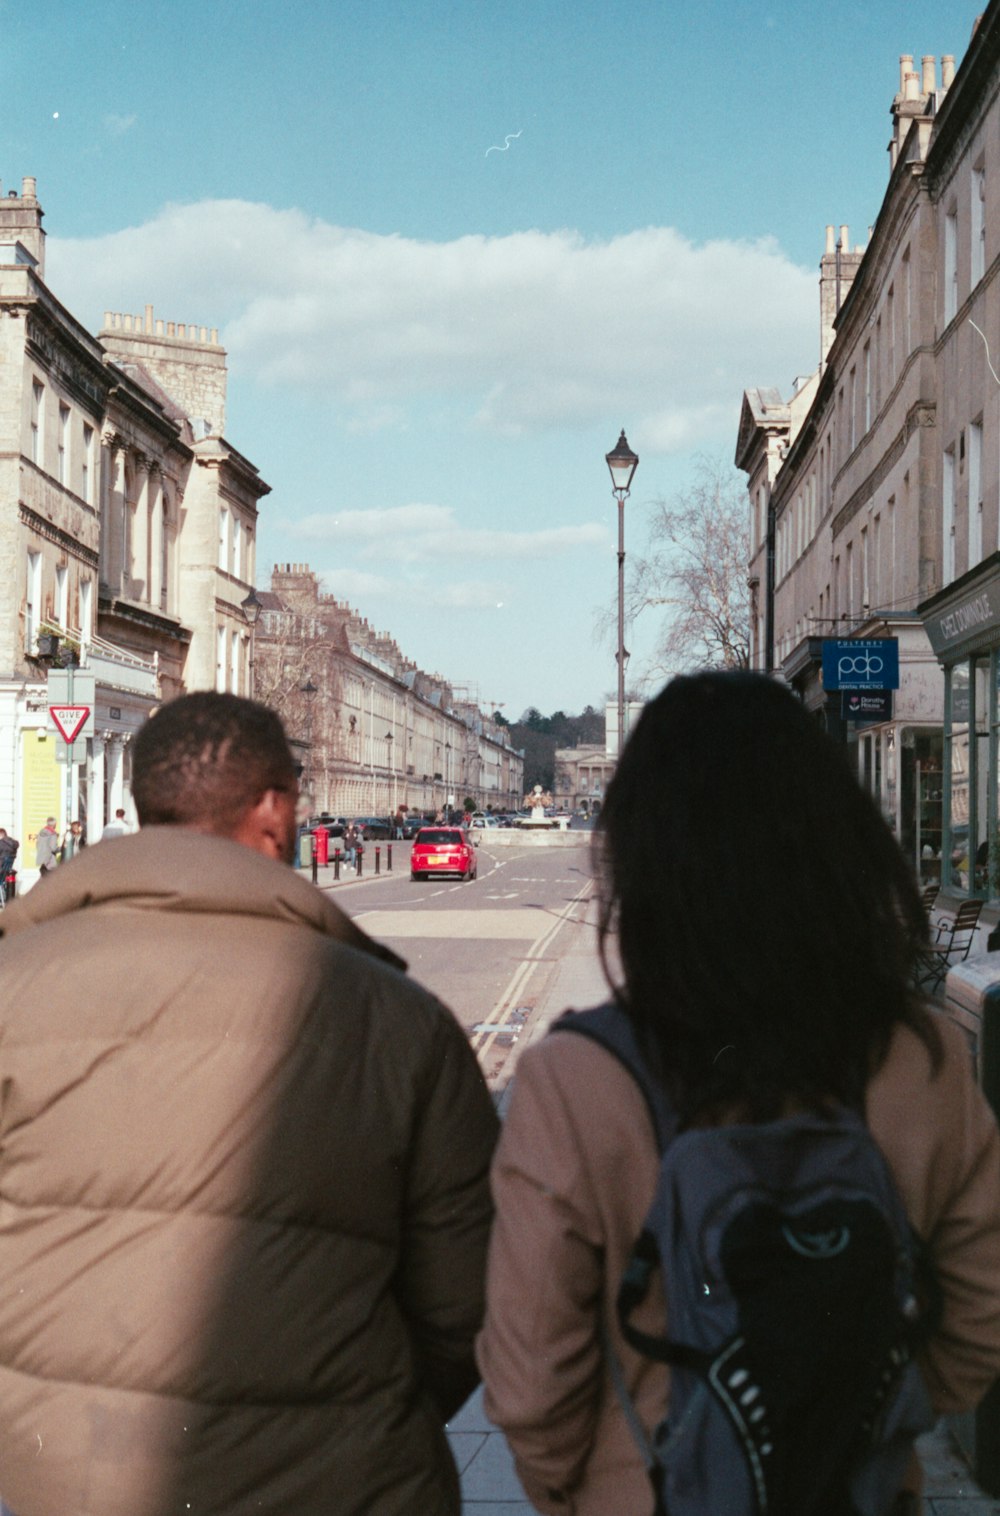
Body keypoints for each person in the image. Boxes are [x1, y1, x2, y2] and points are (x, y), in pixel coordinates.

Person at [478, 671, 1000, 1516]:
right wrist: (855, 1434)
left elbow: (532, 1380)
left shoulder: (574, 1082)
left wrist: (590, 1489)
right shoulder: (922, 1058)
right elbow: (978, 1325)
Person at [0, 692, 498, 1516]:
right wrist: (357, 1415)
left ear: (142, 801)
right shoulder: (394, 1017)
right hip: (342, 1480)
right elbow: (466, 1297)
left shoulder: (13, 986)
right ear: (273, 809)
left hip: (71, 1479)